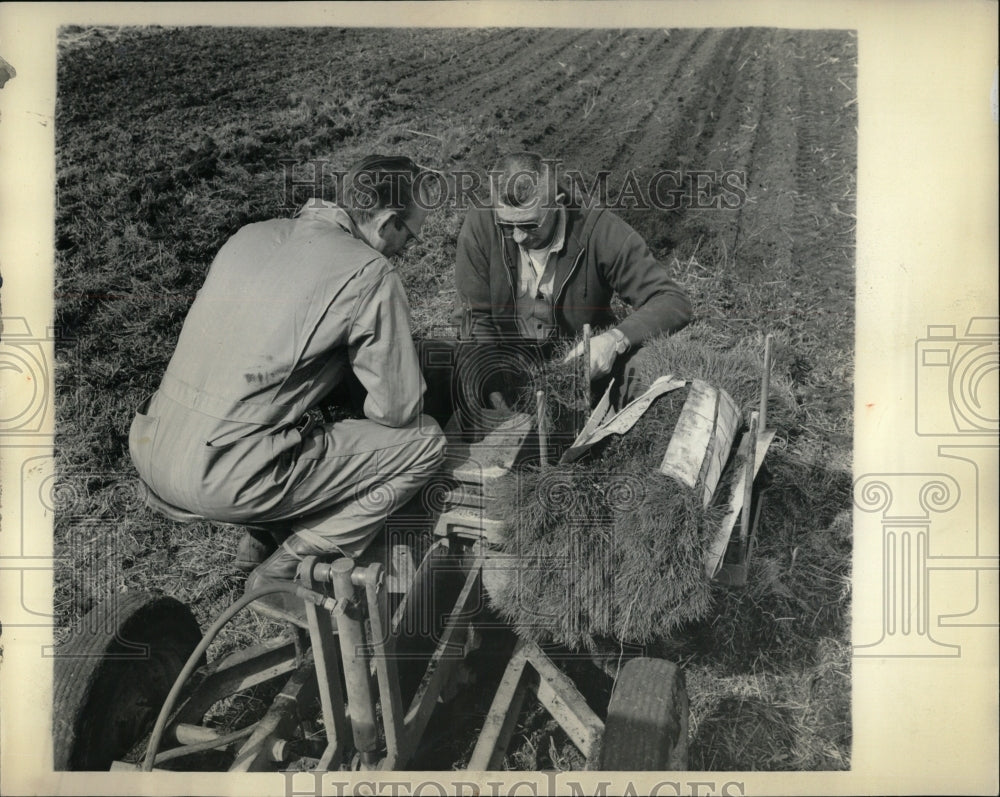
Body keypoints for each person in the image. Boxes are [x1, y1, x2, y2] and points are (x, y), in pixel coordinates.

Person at [128, 155, 445, 617]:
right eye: (408, 237)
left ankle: (256, 537)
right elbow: (396, 410)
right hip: (223, 476)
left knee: (280, 408)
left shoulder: (249, 235)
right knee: (425, 442)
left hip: (153, 445)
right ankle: (290, 565)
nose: (405, 249)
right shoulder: (369, 272)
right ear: (386, 222)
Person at [453, 152, 693, 405]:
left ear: (557, 204)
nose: (517, 237)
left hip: (580, 368)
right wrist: (492, 390)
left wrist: (614, 340)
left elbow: (671, 300)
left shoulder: (598, 229)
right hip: (508, 363)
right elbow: (474, 318)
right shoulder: (480, 223)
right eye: (506, 225)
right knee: (456, 364)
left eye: (529, 225)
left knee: (642, 367)